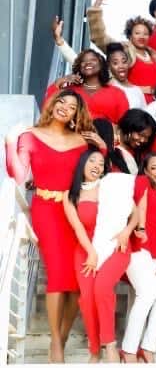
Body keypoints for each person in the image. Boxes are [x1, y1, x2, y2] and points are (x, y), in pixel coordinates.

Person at [5, 90, 97, 362]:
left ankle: (64, 336)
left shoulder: (82, 141)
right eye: (61, 101)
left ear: (77, 114)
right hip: (46, 211)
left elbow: (95, 172)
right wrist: (10, 142)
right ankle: (56, 342)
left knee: (77, 282)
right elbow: (19, 175)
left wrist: (102, 147)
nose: (65, 107)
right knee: (57, 276)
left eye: (72, 106)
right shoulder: (31, 136)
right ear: (53, 104)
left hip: (75, 211)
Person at [63, 149, 137, 363]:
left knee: (102, 288)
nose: (97, 165)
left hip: (115, 245)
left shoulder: (111, 186)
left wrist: (126, 232)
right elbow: (77, 228)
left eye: (101, 163)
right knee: (87, 298)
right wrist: (91, 253)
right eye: (92, 161)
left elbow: (135, 213)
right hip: (86, 250)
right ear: (82, 164)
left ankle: (110, 344)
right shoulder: (71, 195)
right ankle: (95, 350)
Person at [120, 152, 156, 363]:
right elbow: (140, 205)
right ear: (146, 171)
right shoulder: (142, 182)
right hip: (139, 245)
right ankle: (128, 350)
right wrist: (141, 228)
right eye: (154, 167)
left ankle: (148, 348)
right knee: (146, 294)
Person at [51, 18, 146, 110]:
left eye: (124, 61)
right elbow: (77, 61)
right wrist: (59, 40)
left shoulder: (137, 91)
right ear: (108, 65)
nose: (120, 66)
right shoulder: (104, 83)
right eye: (115, 62)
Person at [87, 0, 156, 103]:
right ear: (130, 36)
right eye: (137, 33)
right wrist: (95, 11)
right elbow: (99, 37)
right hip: (130, 102)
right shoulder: (123, 49)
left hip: (153, 105)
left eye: (145, 34)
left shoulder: (154, 56)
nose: (142, 36)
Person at [45, 49, 129, 124]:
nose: (88, 62)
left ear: (101, 64)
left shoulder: (117, 93)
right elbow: (47, 109)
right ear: (79, 67)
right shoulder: (69, 90)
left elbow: (125, 124)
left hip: (105, 135)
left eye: (93, 60)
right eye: (83, 61)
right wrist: (61, 81)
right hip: (71, 135)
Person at [111, 109, 156, 174]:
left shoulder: (141, 152)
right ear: (128, 128)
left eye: (147, 137)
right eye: (140, 135)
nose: (143, 140)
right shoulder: (111, 146)